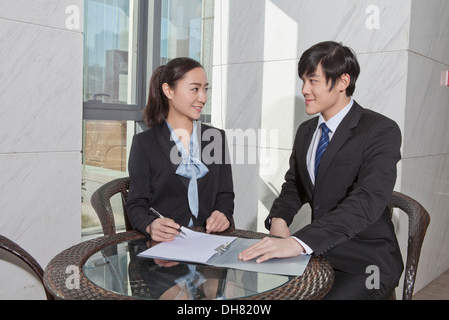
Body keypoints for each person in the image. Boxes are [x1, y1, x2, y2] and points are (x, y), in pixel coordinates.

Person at [239, 41, 403, 300]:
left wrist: (298, 242)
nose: (304, 89)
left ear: (342, 81)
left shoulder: (380, 130)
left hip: (366, 261)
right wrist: (280, 221)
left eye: (313, 80)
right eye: (303, 80)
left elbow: (367, 200)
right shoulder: (306, 131)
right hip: (319, 254)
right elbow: (295, 184)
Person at [126, 57, 234, 242]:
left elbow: (225, 193)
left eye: (205, 89)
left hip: (209, 245)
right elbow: (136, 204)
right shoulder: (144, 143)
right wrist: (150, 225)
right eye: (195, 89)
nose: (203, 98)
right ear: (168, 90)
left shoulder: (216, 138)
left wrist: (222, 213)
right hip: (165, 250)